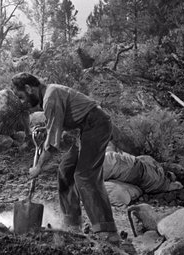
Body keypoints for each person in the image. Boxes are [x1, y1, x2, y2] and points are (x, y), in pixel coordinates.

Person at [11, 72, 120, 244]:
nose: (23, 102)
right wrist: (45, 131)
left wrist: (38, 167)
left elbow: (53, 143)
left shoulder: (51, 97)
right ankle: (72, 224)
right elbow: (55, 128)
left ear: (28, 88)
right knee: (65, 171)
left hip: (96, 125)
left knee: (84, 174)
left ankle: (107, 231)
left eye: (22, 97)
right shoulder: (49, 95)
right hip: (84, 130)